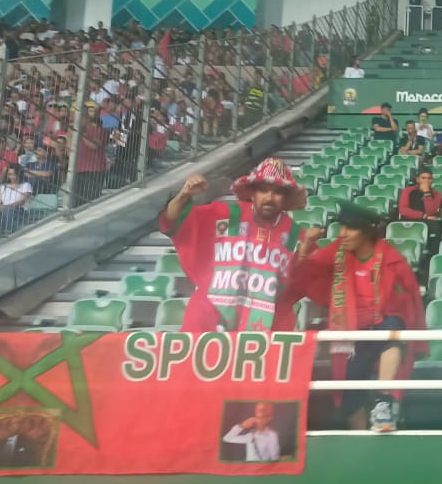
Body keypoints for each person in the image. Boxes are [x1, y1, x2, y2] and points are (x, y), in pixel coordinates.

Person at [282, 202, 426, 432]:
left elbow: (410, 300)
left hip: (381, 326)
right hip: (349, 331)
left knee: (394, 327)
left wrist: (418, 340)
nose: (342, 234)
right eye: (341, 227)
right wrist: (307, 245)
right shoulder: (336, 252)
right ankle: (359, 439)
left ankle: (383, 402)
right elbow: (303, 274)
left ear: (367, 232)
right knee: (350, 398)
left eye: (350, 228)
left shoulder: (390, 257)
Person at [159, 158, 310, 332]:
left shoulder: (295, 235)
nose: (269, 198)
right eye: (263, 190)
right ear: (252, 193)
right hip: (206, 325)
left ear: (286, 198)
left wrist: (307, 249)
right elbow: (172, 222)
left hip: (264, 331)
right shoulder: (225, 215)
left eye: (277, 192)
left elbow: (311, 279)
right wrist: (184, 194)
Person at [398, 168, 442, 234]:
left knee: (436, 226)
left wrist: (427, 192)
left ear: (432, 180)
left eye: (429, 178)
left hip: (427, 222)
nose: (426, 181)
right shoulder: (407, 191)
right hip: (409, 219)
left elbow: (431, 212)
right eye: (423, 178)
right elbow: (403, 210)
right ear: (417, 179)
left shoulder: (437, 194)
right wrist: (423, 216)